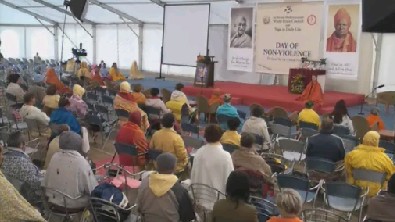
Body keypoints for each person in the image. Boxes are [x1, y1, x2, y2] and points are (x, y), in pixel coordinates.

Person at [45, 131, 98, 210]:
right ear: (79, 144)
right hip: (72, 205)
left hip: (53, 201)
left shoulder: (55, 156)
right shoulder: (81, 161)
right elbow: (92, 189)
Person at [137, 153, 195, 222]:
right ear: (174, 167)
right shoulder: (179, 190)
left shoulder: (145, 183)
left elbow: (139, 208)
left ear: (156, 166)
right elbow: (187, 216)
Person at [0, 144, 46, 222]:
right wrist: (38, 217)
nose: (2, 157)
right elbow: (16, 207)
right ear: (22, 144)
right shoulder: (2, 184)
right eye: (0, 153)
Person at [345, 131, 395, 197]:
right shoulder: (385, 159)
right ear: (377, 141)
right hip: (376, 195)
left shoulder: (351, 155)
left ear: (364, 139)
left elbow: (348, 172)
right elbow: (391, 176)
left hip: (356, 192)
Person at [1, 131, 43, 206]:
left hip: (10, 195)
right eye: (25, 143)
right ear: (21, 144)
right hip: (25, 197)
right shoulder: (22, 161)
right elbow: (36, 183)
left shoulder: (3, 158)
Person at [191, 124, 234, 195]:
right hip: (218, 200)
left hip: (198, 197)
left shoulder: (199, 152)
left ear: (205, 137)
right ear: (220, 136)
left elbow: (193, 175)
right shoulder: (226, 156)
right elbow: (230, 180)